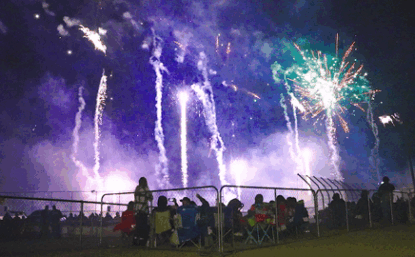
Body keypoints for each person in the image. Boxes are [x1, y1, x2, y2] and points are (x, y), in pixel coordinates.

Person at [134, 177, 153, 246]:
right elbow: (150, 197)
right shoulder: (145, 189)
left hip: (137, 210)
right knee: (143, 226)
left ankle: (136, 241)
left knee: (138, 226)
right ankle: (142, 242)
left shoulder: (137, 188)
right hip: (143, 210)